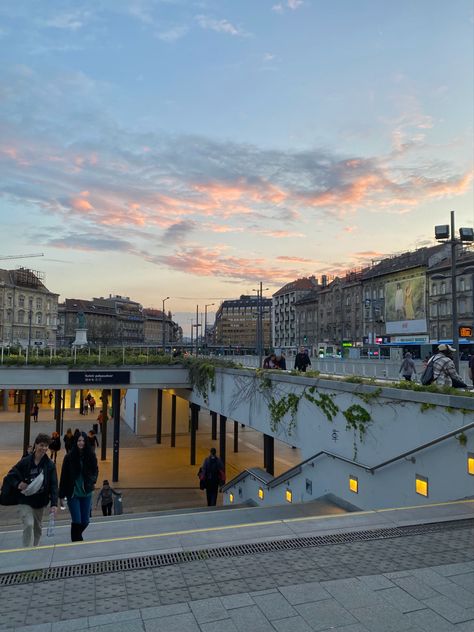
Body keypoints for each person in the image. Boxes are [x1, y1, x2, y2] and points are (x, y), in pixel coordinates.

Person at [3, 433, 58, 547]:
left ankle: (35, 548)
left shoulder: (49, 465)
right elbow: (10, 475)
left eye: (46, 446)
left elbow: (53, 485)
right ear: (36, 445)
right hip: (25, 499)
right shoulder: (25, 461)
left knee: (38, 527)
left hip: (40, 501)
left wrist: (54, 504)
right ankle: (26, 550)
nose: (44, 448)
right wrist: (18, 484)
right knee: (28, 524)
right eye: (41, 445)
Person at [59, 431, 98, 542]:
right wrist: (61, 495)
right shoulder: (69, 457)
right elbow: (64, 476)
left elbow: (95, 470)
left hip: (86, 493)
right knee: (77, 521)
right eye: (79, 440)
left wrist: (92, 481)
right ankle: (77, 542)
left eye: (83, 441)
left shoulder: (91, 455)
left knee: (85, 521)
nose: (81, 443)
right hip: (73, 493)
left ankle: (76, 538)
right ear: (75, 442)